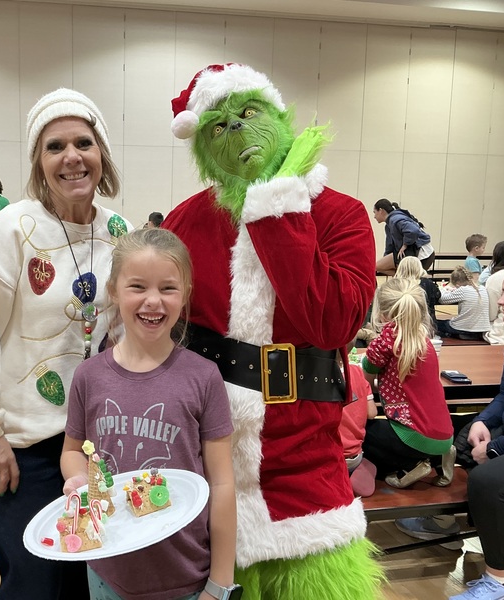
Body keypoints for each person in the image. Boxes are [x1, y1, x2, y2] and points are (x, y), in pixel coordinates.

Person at [164, 63, 381, 599]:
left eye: (248, 113)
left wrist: (276, 208)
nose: (235, 129)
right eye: (216, 125)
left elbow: (329, 322)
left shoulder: (341, 214)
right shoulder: (184, 223)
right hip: (207, 453)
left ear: (279, 116)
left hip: (307, 454)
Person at [0, 88, 131, 600]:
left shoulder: (119, 232)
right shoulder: (13, 228)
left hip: (99, 441)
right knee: (35, 583)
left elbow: (127, 331)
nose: (71, 157)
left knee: (93, 580)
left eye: (83, 142)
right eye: (54, 146)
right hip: (27, 449)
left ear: (102, 153)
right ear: (38, 162)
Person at [61, 228, 238, 600]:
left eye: (168, 288)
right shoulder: (89, 376)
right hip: (107, 570)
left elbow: (222, 484)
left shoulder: (203, 378)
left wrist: (220, 584)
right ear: (113, 290)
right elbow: (73, 450)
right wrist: (78, 478)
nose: (153, 301)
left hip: (186, 575)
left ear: (186, 293)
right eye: (138, 287)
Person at [445, 266, 504, 600]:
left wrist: (494, 448)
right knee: (451, 438)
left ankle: (502, 583)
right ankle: (451, 526)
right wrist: (482, 422)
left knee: (488, 482)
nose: (499, 300)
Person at [361, 278, 455, 489]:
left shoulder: (384, 342)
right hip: (444, 434)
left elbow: (365, 386)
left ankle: (411, 465)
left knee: (362, 433)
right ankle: (438, 457)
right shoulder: (426, 342)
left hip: (414, 436)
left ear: (383, 313)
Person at [340, 343, 378, 497]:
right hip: (356, 454)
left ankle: (341, 479)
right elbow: (372, 413)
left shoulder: (316, 377)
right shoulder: (356, 371)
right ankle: (354, 470)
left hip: (331, 457)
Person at [373, 199, 434, 275]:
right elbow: (390, 246)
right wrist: (386, 258)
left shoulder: (395, 219)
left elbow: (413, 230)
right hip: (416, 254)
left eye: (375, 212)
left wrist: (405, 244)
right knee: (378, 267)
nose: (374, 216)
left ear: (381, 210)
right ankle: (400, 277)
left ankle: (401, 277)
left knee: (376, 267)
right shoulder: (389, 225)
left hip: (423, 255)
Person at [438, 265, 490, 340]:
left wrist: (444, 289)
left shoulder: (463, 290)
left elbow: (442, 299)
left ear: (457, 284)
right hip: (481, 329)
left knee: (436, 323)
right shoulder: (483, 288)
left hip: (463, 328)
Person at [395, 255, 441, 335]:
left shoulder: (397, 285)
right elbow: (438, 296)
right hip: (427, 327)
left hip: (402, 327)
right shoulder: (427, 283)